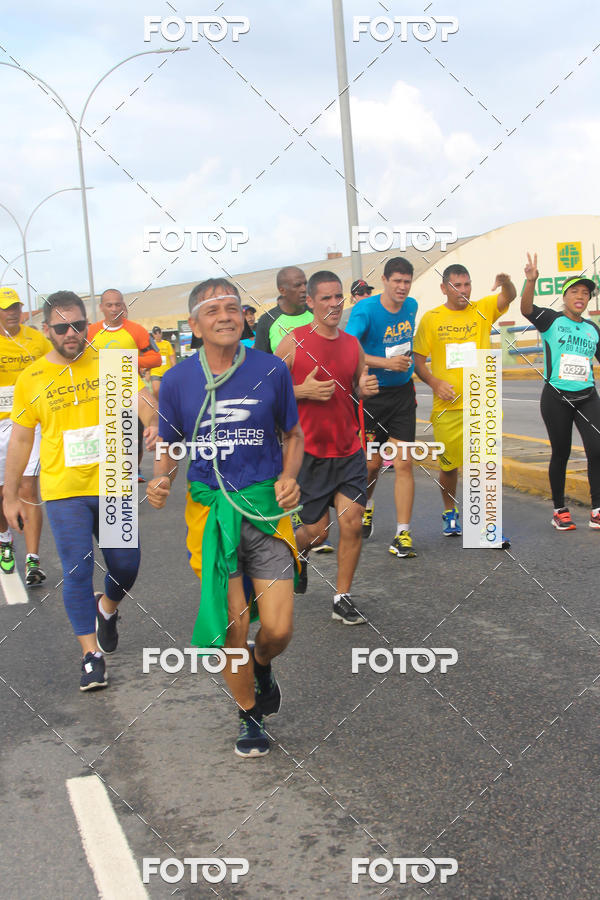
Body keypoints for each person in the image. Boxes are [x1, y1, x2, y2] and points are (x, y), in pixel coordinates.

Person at [146, 278, 304, 759]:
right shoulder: (176, 381)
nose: (225, 316)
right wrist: (162, 479)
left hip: (264, 510)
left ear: (244, 316)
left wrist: (290, 476)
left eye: (232, 307)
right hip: (212, 514)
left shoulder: (271, 369)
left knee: (277, 629)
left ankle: (262, 664)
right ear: (195, 325)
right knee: (234, 624)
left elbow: (292, 435)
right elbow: (172, 445)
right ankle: (249, 714)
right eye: (212, 310)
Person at [3, 291, 158, 691]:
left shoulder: (110, 361)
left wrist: (154, 421)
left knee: (125, 566)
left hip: (113, 481)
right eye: (61, 327)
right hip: (64, 489)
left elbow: (142, 398)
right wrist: (10, 494)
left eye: (77, 325)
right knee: (77, 568)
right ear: (46, 330)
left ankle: (107, 608)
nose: (71, 334)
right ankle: (90, 656)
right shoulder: (33, 378)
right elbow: (20, 440)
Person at [276, 271, 379, 624]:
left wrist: (365, 387)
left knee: (350, 523)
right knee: (317, 532)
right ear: (310, 302)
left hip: (348, 449)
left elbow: (358, 383)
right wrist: (302, 391)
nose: (335, 304)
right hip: (309, 454)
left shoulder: (352, 344)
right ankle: (296, 551)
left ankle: (342, 597)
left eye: (339, 297)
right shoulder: (293, 343)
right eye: (326, 298)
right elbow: (264, 393)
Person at [413, 264, 516, 537]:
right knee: (449, 467)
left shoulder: (482, 308)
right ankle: (450, 512)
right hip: (447, 408)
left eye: (467, 284)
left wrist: (506, 282)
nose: (463, 290)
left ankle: (487, 525)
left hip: (483, 404)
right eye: (457, 285)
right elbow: (418, 360)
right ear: (444, 288)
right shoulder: (431, 318)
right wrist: (434, 383)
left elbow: (509, 297)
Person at [521, 253, 600, 530]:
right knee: (561, 452)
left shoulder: (592, 329)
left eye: (586, 293)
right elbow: (526, 308)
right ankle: (559, 509)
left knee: (597, 449)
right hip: (557, 398)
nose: (581, 296)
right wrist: (530, 281)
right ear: (565, 296)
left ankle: (597, 509)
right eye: (575, 291)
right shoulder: (551, 320)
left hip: (588, 397)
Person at [346, 257, 419, 557]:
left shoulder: (412, 306)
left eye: (407, 281)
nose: (402, 287)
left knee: (403, 463)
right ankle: (368, 505)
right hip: (373, 397)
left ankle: (402, 533)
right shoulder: (365, 310)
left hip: (402, 394)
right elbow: (349, 346)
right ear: (386, 281)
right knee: (372, 464)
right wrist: (384, 364)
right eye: (397, 281)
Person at [0, 287, 51, 584]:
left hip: (28, 424)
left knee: (28, 489)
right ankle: (5, 541)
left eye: (16, 307)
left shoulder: (35, 339)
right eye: (6, 308)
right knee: (4, 489)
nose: (12, 312)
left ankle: (33, 560)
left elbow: (55, 363)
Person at [88, 289, 161, 482]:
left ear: (123, 306)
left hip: (131, 391)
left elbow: (155, 359)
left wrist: (128, 361)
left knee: (133, 437)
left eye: (117, 304)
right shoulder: (91, 331)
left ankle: (134, 470)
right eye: (109, 305)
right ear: (101, 307)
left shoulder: (136, 330)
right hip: (101, 394)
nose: (114, 309)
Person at [254, 266, 313, 353]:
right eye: (297, 285)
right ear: (282, 291)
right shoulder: (267, 321)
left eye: (305, 284)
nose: (304, 289)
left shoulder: (317, 313)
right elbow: (261, 361)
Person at [149, 326, 176, 399]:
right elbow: (148, 359)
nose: (157, 335)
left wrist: (174, 370)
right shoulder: (151, 345)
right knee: (156, 390)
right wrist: (147, 372)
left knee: (168, 391)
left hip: (166, 371)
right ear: (153, 335)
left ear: (161, 334)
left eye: (159, 333)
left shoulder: (167, 344)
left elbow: (172, 357)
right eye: (155, 333)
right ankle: (158, 405)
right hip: (155, 372)